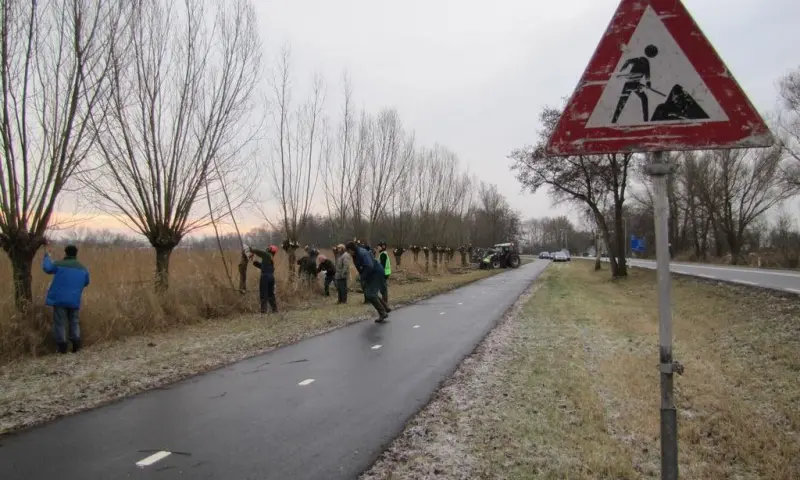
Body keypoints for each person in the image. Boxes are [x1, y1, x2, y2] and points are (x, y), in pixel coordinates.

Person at [43, 245, 90, 354]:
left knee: (60, 322)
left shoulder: (59, 264)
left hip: (59, 299)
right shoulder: (83, 268)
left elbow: (47, 268)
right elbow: (86, 282)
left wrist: (46, 256)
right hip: (74, 299)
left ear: (66, 253)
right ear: (76, 254)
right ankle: (76, 344)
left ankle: (62, 346)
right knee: (74, 321)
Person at [346, 241, 391, 322]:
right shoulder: (355, 254)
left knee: (370, 294)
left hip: (376, 272)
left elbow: (369, 266)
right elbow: (360, 267)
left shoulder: (362, 253)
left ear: (351, 249)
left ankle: (383, 313)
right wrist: (362, 277)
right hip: (370, 274)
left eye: (348, 251)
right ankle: (385, 308)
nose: (348, 253)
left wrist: (362, 277)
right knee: (369, 292)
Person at [250, 245, 279, 314]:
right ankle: (275, 310)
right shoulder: (270, 258)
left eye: (268, 248)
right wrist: (254, 262)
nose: (267, 248)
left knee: (263, 295)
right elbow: (263, 266)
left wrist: (252, 249)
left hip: (265, 277)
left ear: (270, 250)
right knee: (271, 295)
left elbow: (261, 253)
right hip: (271, 277)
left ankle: (263, 312)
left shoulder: (267, 255)